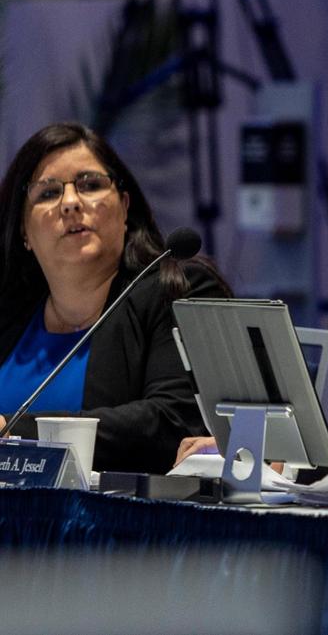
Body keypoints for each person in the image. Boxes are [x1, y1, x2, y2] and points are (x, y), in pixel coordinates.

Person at [0, 122, 230, 474]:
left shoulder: (177, 291)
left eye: (90, 185)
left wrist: (14, 432)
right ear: (24, 231)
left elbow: (171, 423)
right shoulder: (9, 314)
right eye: (48, 194)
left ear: (124, 208)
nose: (71, 204)